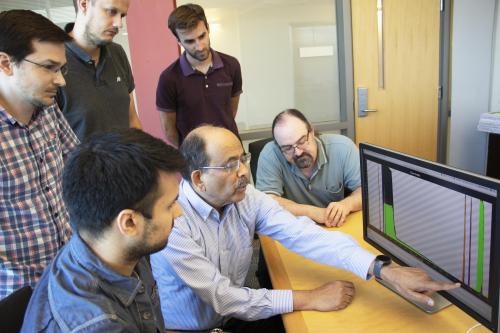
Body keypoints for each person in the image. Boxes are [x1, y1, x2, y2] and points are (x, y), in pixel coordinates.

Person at [151, 125, 460, 332]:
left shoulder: (246, 199)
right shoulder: (173, 221)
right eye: (230, 165)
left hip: (233, 317)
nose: (244, 172)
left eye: (242, 159)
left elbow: (305, 234)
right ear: (198, 179)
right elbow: (224, 296)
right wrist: (310, 297)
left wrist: (383, 270)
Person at [21, 129, 186, 332]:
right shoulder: (97, 325)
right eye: (170, 205)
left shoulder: (114, 248)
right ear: (129, 223)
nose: (179, 213)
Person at [0, 10, 79, 299]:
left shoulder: (47, 110)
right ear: (6, 63)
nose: (61, 81)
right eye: (48, 67)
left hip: (68, 275)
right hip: (18, 296)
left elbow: (78, 164)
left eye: (61, 68)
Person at [257, 109, 362, 228]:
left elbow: (367, 191)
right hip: (292, 229)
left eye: (301, 141)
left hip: (336, 226)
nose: (298, 152)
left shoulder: (343, 148)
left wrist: (347, 204)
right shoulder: (270, 154)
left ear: (311, 132)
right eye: (287, 148)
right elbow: (266, 203)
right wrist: (312, 212)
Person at [156, 3, 243, 147]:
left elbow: (230, 112)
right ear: (179, 41)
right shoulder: (168, 78)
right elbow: (168, 129)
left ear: (208, 29)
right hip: (195, 158)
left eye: (202, 36)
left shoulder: (232, 65)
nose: (200, 46)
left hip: (231, 148)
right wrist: (188, 153)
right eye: (190, 41)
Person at [56, 0, 141, 140]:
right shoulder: (53, 61)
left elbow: (132, 119)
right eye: (111, 11)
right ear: (83, 4)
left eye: (122, 16)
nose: (119, 24)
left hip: (125, 159)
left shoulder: (117, 52)